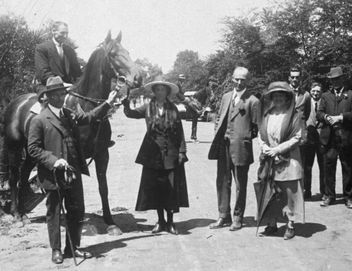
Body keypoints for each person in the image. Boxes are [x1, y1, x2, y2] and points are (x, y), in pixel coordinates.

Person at [27, 76, 117, 264]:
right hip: (54, 174)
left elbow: (90, 117)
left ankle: (72, 247)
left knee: (77, 210)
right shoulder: (39, 120)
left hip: (73, 172)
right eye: (57, 95)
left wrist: (108, 102)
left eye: (63, 94)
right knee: (55, 211)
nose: (61, 98)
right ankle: (56, 250)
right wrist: (54, 160)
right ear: (49, 97)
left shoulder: (69, 114)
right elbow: (33, 149)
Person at [122, 76, 189, 235]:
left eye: (163, 89)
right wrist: (126, 102)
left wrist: (182, 151)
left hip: (171, 153)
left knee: (170, 188)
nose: (160, 92)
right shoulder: (147, 107)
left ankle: (171, 222)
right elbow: (131, 113)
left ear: (167, 92)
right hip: (153, 154)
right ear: (154, 91)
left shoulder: (173, 108)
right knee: (157, 188)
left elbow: (179, 131)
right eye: (157, 89)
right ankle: (160, 221)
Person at [208, 66, 261, 231]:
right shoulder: (225, 97)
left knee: (240, 184)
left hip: (240, 148)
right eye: (236, 79)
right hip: (223, 146)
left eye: (243, 80)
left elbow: (256, 127)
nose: (239, 82)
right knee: (222, 182)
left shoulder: (253, 101)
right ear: (232, 79)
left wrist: (242, 137)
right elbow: (218, 118)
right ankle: (223, 215)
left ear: (247, 81)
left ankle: (238, 217)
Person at [257, 81, 305, 240]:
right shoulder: (267, 114)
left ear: (287, 98)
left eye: (281, 96)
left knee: (289, 193)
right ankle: (272, 223)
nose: (277, 98)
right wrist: (264, 147)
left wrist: (277, 150)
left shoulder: (294, 116)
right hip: (270, 159)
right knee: (271, 191)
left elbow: (297, 137)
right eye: (274, 96)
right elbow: (260, 133)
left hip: (288, 159)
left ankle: (290, 224)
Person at [317, 66, 352, 208]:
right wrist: (326, 117)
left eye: (337, 79)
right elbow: (319, 113)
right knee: (328, 167)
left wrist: (341, 117)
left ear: (343, 79)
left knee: (347, 167)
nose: (335, 82)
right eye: (332, 80)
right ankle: (330, 195)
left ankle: (348, 197)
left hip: (346, 137)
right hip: (329, 138)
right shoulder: (325, 96)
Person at [303, 82, 325, 199]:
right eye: (313, 91)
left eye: (318, 91)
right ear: (310, 91)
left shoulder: (324, 102)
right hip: (309, 138)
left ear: (321, 92)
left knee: (323, 165)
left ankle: (323, 191)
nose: (315, 93)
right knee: (307, 166)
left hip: (322, 138)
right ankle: (307, 190)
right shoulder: (307, 102)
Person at [190, 76, 218, 141]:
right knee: (195, 121)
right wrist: (204, 107)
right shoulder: (208, 89)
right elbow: (209, 99)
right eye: (211, 81)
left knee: (195, 121)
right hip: (196, 104)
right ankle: (193, 137)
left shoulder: (207, 89)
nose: (213, 83)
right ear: (209, 82)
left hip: (195, 103)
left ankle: (193, 136)